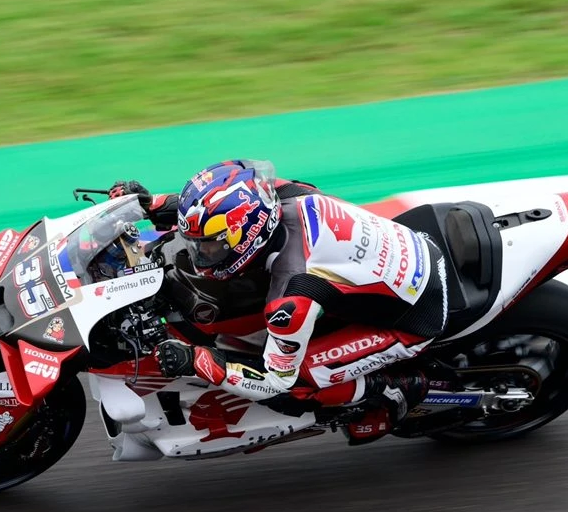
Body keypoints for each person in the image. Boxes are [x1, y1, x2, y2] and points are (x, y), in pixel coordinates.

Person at [109, 159, 449, 444]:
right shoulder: (279, 193)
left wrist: (195, 360)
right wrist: (150, 204)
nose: (202, 253)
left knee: (297, 387)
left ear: (249, 238)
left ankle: (393, 389)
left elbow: (274, 381)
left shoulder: (292, 295)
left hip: (415, 317)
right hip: (407, 253)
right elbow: (221, 205)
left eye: (212, 246)